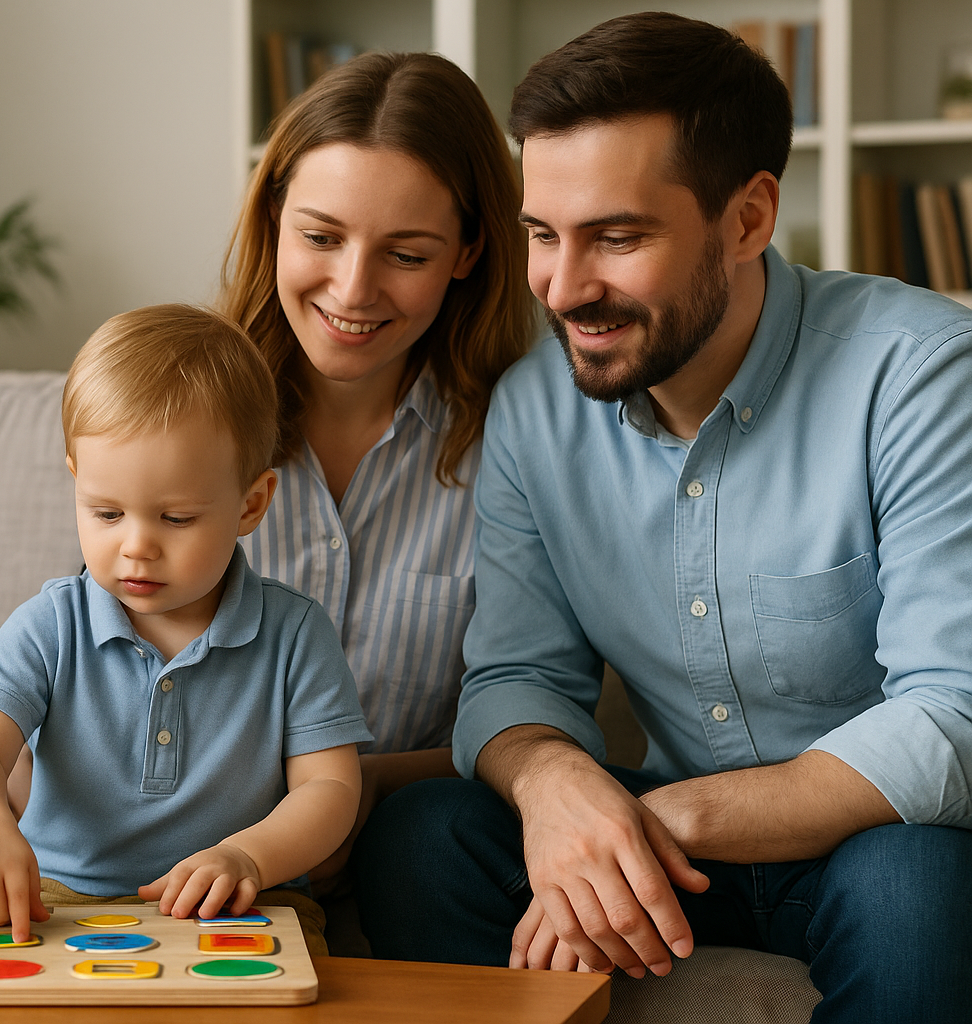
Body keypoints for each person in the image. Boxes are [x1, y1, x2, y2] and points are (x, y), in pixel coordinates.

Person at [355, 13, 972, 1022]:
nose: (562, 286)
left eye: (618, 236)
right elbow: (515, 678)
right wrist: (555, 786)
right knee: (425, 835)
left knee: (917, 885)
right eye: (544, 235)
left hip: (871, 848)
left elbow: (954, 709)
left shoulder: (921, 375)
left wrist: (647, 820)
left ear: (746, 219)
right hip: (685, 874)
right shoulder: (533, 410)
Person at [0, 304, 372, 955]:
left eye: (176, 518)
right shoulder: (50, 625)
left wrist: (247, 857)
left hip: (241, 902)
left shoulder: (296, 634)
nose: (136, 547)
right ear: (76, 482)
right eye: (106, 512)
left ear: (251, 504)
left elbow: (331, 788)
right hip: (56, 899)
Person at [218, 51, 535, 880]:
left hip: (413, 854)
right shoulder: (186, 411)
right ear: (275, 219)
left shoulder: (522, 445)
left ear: (467, 252)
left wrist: (325, 801)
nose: (353, 291)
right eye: (321, 237)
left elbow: (531, 720)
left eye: (406, 254)